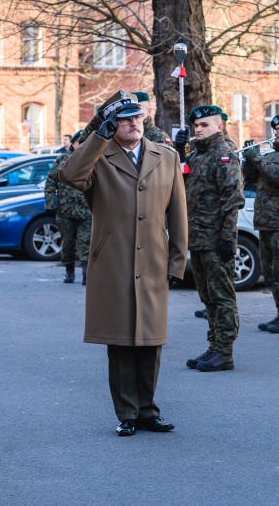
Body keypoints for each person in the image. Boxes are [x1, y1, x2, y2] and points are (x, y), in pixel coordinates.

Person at [58, 91, 187, 436]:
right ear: (113, 124)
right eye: (125, 119)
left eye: (138, 117)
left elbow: (178, 216)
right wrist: (98, 135)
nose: (133, 123)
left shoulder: (166, 156)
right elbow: (70, 176)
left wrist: (177, 264)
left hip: (155, 260)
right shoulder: (99, 157)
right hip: (113, 260)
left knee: (151, 339)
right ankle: (127, 413)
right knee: (120, 340)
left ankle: (149, 411)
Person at [176, 105, 244, 371]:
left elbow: (232, 200)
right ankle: (214, 344)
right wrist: (180, 152)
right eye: (196, 126)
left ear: (220, 126)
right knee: (207, 297)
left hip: (216, 240)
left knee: (221, 296)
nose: (198, 129)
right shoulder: (197, 156)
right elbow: (181, 185)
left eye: (204, 125)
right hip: (198, 238)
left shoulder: (224, 155)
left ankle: (224, 351)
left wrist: (228, 239)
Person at [241, 113, 279, 334]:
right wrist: (249, 159)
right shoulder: (271, 154)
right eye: (274, 129)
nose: (276, 132)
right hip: (266, 221)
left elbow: (278, 174)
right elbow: (250, 179)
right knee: (270, 270)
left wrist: (256, 158)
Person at [45, 130, 92, 284]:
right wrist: (51, 203)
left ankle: (86, 273)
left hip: (86, 210)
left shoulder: (92, 159)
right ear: (73, 143)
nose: (82, 145)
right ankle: (69, 271)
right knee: (68, 242)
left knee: (86, 242)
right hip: (65, 210)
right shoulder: (62, 160)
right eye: (79, 142)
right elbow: (51, 182)